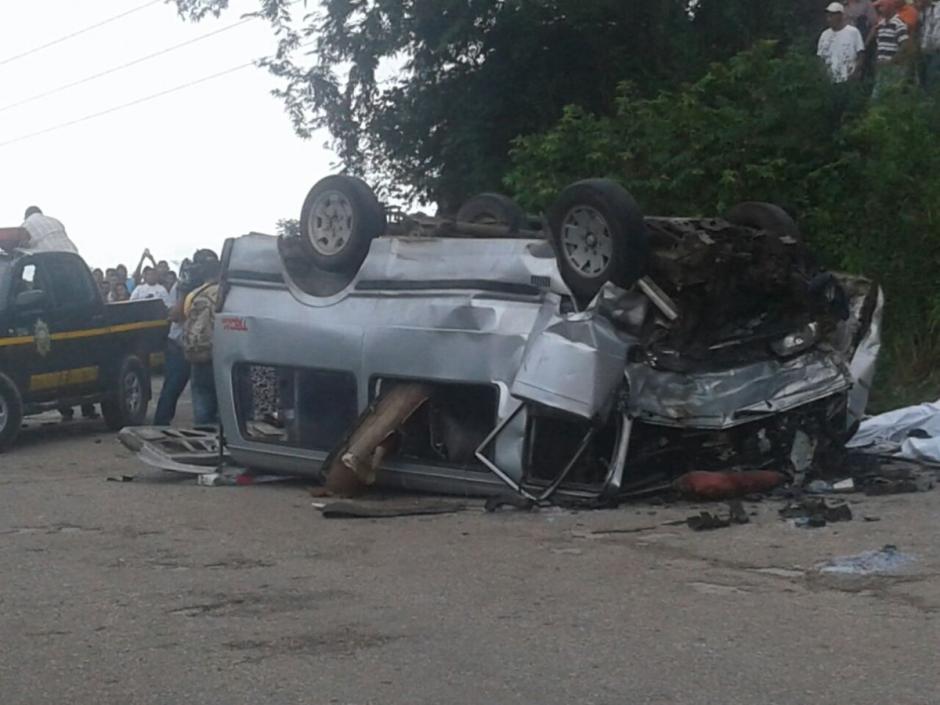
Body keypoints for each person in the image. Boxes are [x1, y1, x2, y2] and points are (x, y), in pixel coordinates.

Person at [181, 249, 221, 426]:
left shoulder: (193, 295)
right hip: (224, 356)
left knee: (202, 403)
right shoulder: (229, 292)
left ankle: (204, 440)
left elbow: (185, 316)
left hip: (199, 356)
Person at [870, 0, 913, 96]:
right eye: (878, 8)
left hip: (894, 68)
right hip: (882, 67)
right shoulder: (880, 25)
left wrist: (892, 61)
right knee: (878, 96)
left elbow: (904, 45)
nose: (879, 10)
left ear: (889, 7)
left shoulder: (898, 23)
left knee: (892, 96)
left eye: (882, 7)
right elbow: (880, 45)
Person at [818, 3, 867, 81]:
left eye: (832, 15)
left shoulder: (853, 32)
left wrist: (856, 72)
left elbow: (861, 54)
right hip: (829, 79)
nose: (829, 18)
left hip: (848, 77)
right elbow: (820, 57)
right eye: (828, 15)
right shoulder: (824, 35)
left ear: (840, 16)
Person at [12, 207, 79, 253]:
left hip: (49, 256)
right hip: (73, 255)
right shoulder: (55, 221)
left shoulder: (26, 224)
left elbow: (22, 247)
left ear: (26, 216)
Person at [918, 0, 940, 89]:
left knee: (933, 77)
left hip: (937, 49)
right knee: (924, 78)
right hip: (925, 48)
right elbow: (923, 28)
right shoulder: (924, 11)